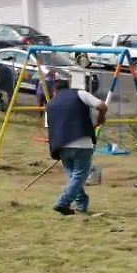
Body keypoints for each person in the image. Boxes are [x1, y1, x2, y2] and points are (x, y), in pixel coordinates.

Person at [46, 76, 107, 215]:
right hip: (82, 143)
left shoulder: (50, 104)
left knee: (74, 177)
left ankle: (81, 205)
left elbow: (49, 127)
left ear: (54, 91)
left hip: (60, 145)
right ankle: (63, 203)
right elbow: (102, 106)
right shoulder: (79, 94)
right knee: (79, 176)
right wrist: (101, 118)